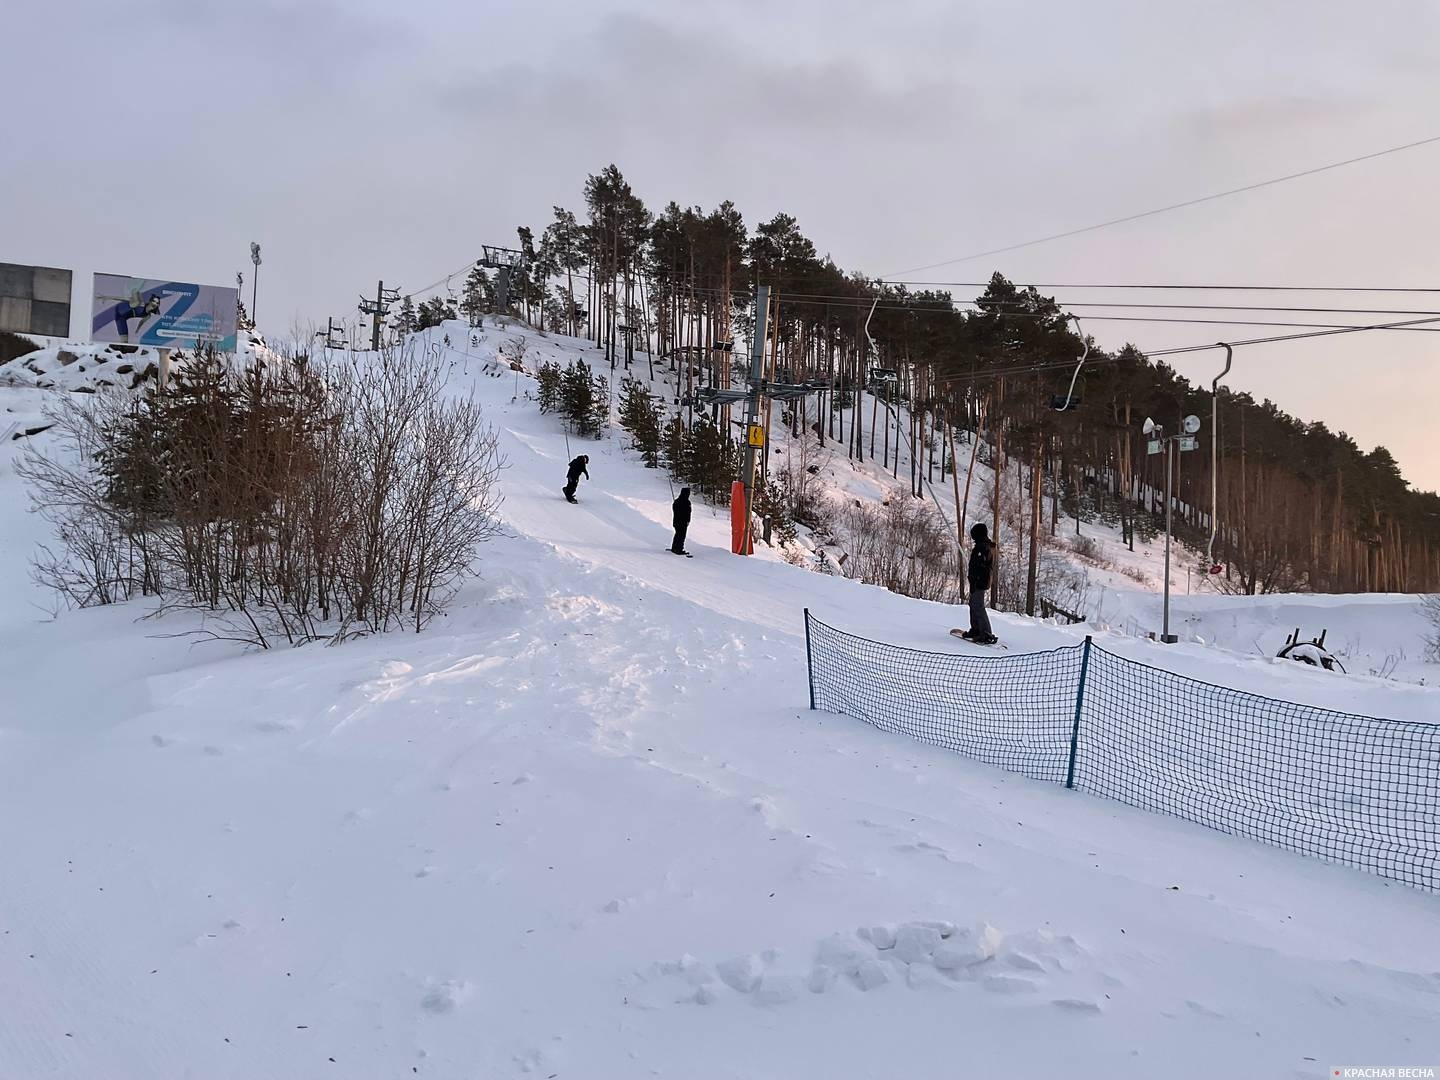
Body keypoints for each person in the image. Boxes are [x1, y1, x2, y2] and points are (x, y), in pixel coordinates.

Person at [964, 522, 997, 644]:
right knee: (973, 604)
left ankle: (986, 633)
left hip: (980, 581)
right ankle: (976, 629)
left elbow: (981, 566)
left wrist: (976, 578)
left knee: (978, 606)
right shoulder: (982, 546)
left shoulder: (983, 547)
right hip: (976, 580)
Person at [671, 487, 692, 555]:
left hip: (676, 521)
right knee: (681, 535)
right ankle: (679, 549)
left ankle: (674, 548)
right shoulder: (687, 502)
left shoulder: (676, 501)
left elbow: (674, 509)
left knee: (677, 534)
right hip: (683, 522)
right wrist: (688, 520)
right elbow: (688, 512)